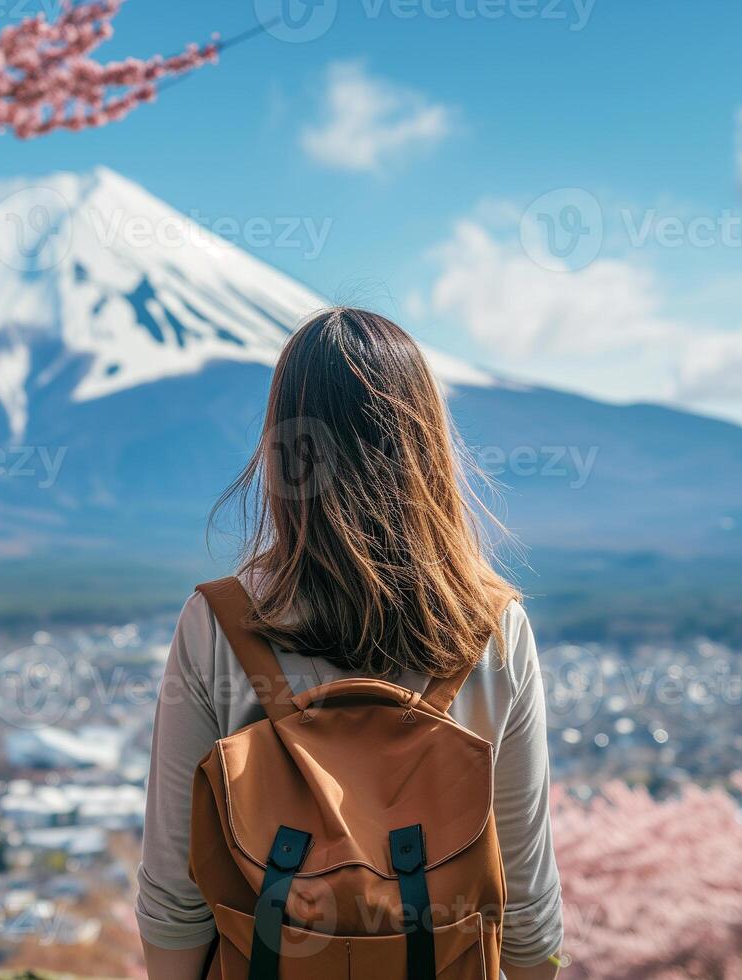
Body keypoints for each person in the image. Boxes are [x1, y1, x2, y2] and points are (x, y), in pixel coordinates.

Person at [136, 308, 564, 979]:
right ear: (425, 443)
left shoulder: (219, 619)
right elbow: (526, 894)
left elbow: (174, 884)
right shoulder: (492, 625)